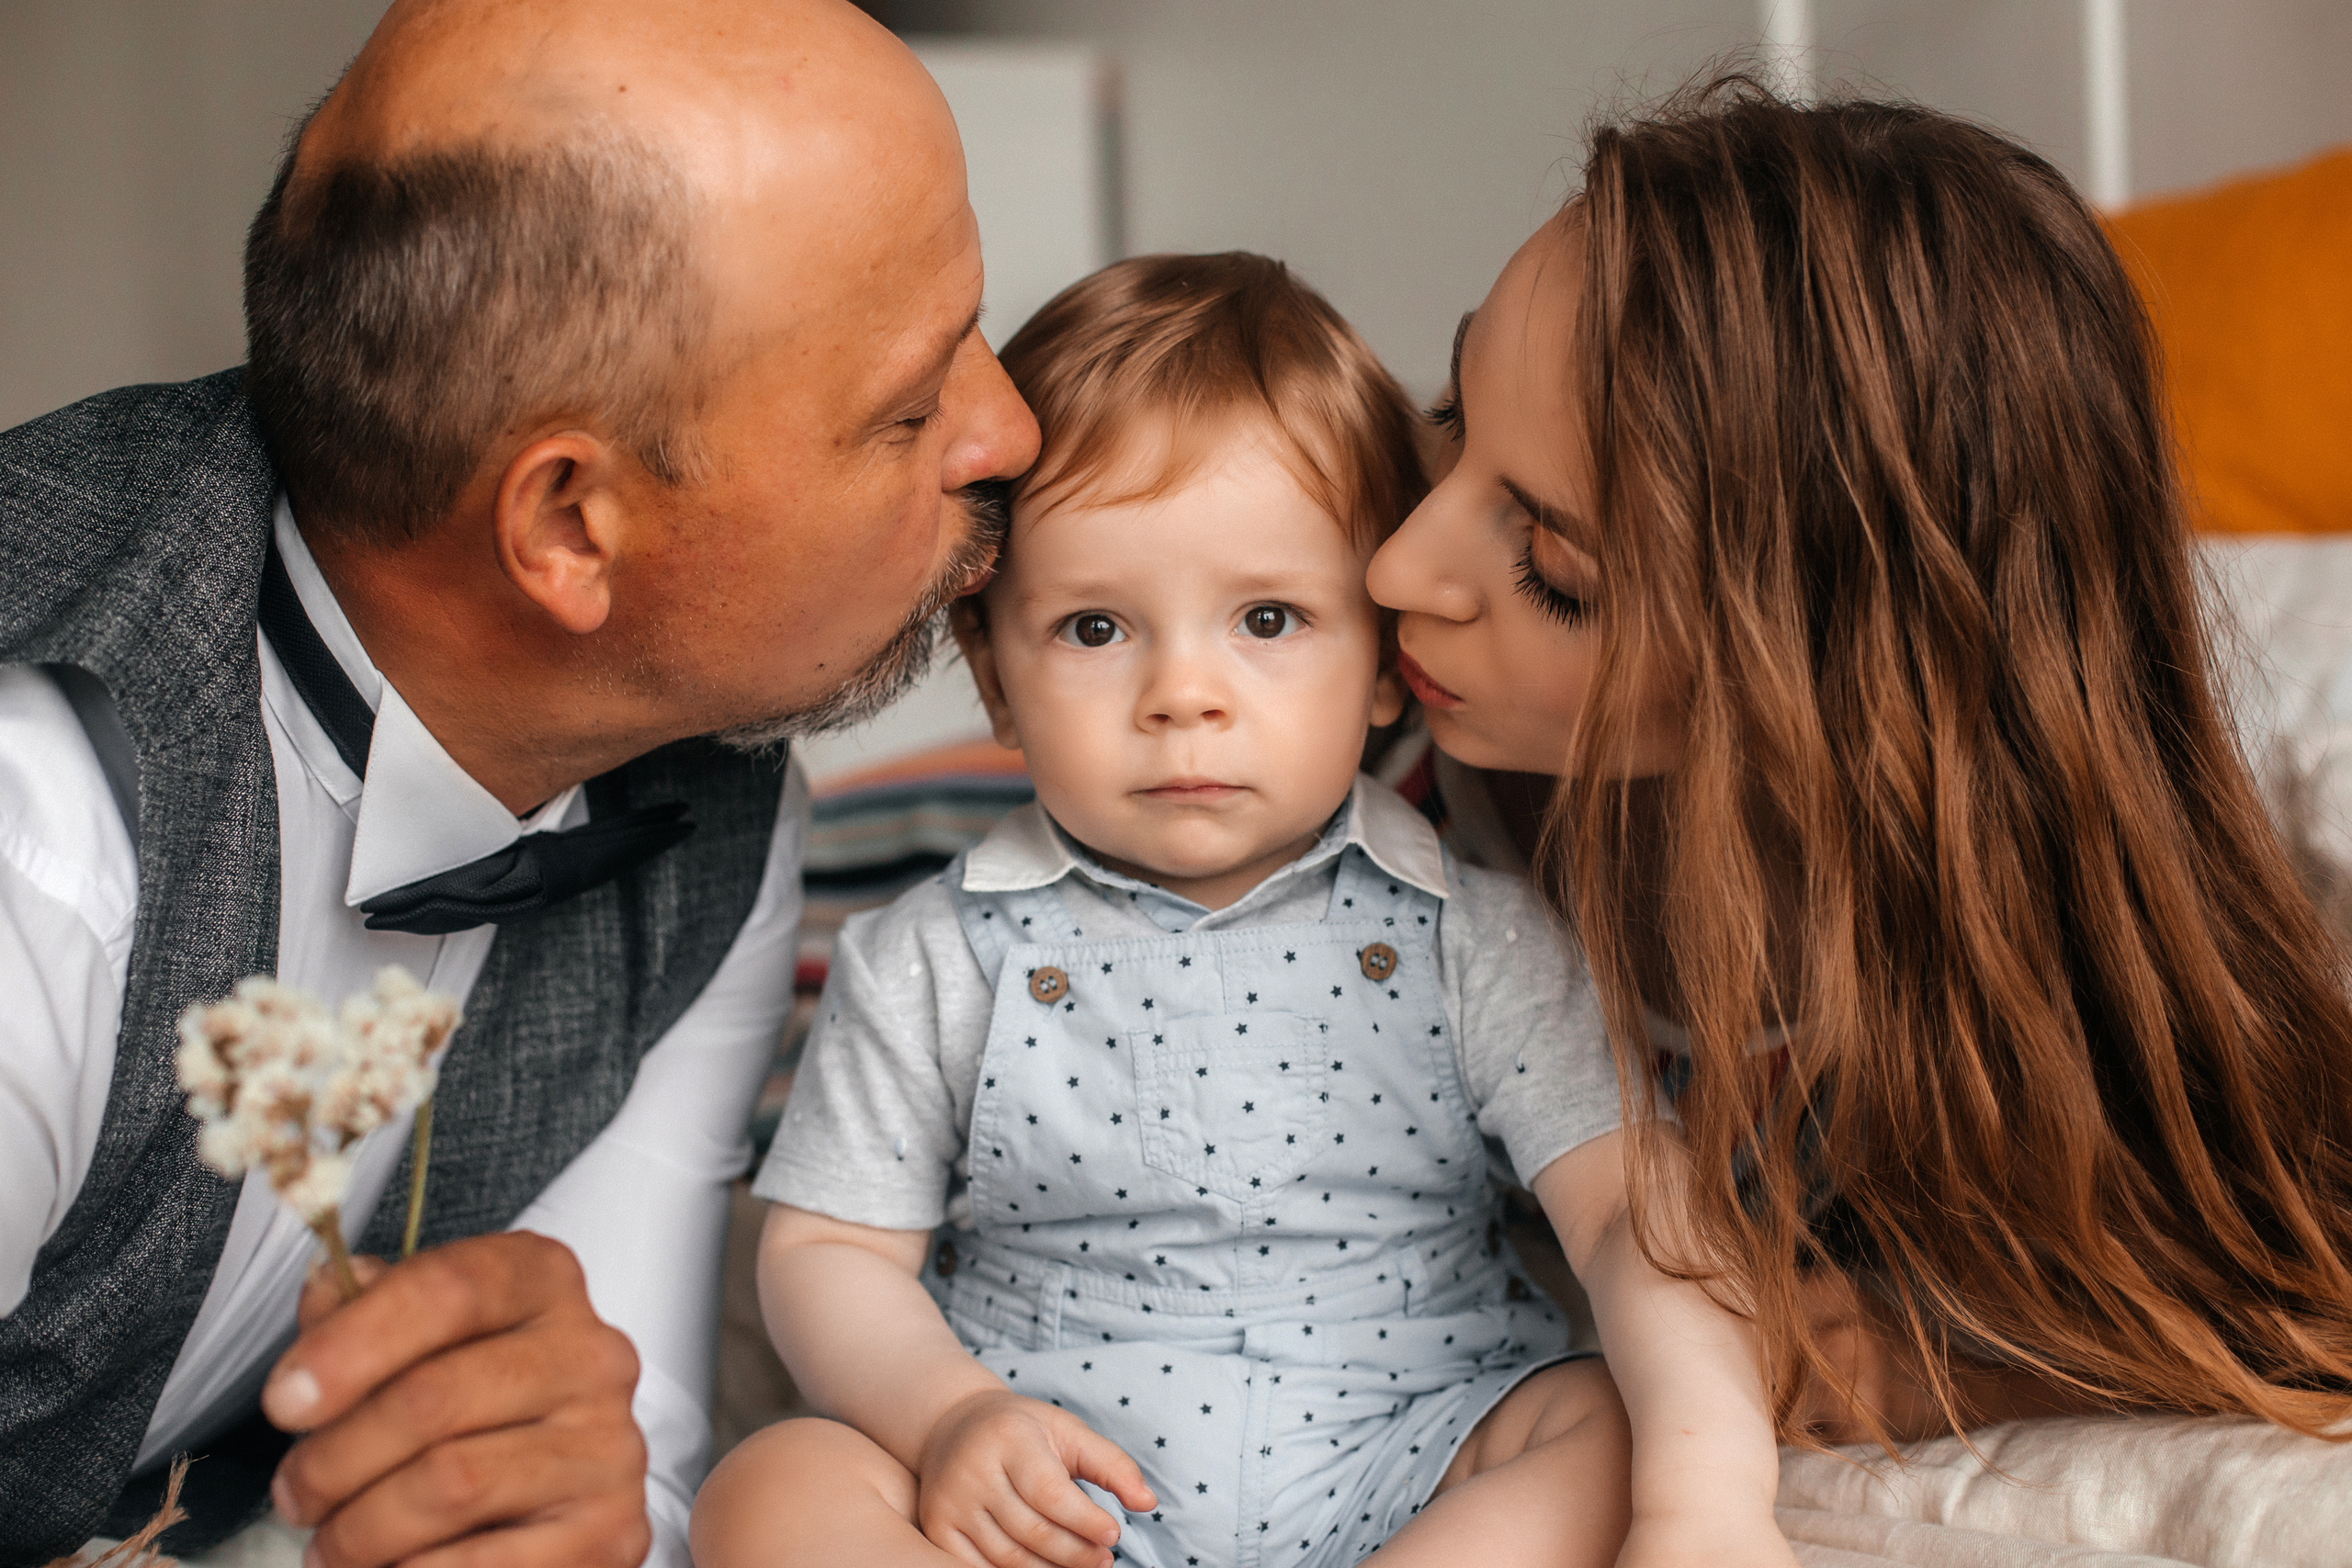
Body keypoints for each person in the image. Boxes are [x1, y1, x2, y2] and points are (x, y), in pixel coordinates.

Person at [0, 1, 1038, 1563]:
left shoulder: (717, 817)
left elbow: (642, 1486)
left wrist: (568, 1505)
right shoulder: (39, 829)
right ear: (567, 526)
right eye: (909, 407)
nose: (1011, 429)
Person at [691, 254, 1799, 1568]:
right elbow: (826, 1251)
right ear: (993, 678)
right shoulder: (929, 959)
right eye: (1095, 630)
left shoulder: (1480, 940)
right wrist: (947, 1420)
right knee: (771, 1485)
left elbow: (1627, 1217)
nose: (1184, 695)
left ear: (1384, 664)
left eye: (1268, 619)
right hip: (1057, 1493)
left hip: (1410, 1452)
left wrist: (1703, 1503)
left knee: (1602, 1429)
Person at [1365, 78, 2352, 1454]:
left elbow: (2268, 1306)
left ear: (1832, 657)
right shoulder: (1342, 790)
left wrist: (1919, 1371)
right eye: (1453, 416)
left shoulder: (2030, 992)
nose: (1394, 566)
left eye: (1554, 564)